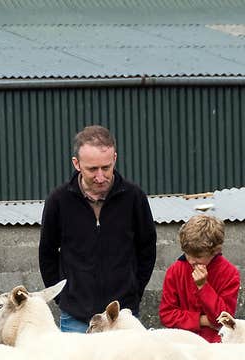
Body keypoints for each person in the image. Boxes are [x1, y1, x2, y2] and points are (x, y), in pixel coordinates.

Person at [39, 125, 157, 333]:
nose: (101, 176)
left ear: (115, 159)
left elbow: (147, 249)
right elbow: (47, 253)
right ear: (76, 164)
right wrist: (63, 297)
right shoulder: (58, 201)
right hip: (76, 318)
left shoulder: (134, 197)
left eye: (106, 167)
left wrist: (133, 292)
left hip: (123, 318)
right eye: (92, 169)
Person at [159, 213, 240, 342]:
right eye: (187, 254)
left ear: (215, 251)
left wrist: (203, 286)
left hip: (215, 345)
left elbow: (224, 320)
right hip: (182, 343)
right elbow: (166, 315)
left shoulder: (229, 273)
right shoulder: (175, 270)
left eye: (198, 257)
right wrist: (202, 320)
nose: (191, 261)